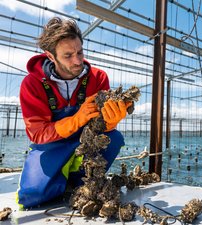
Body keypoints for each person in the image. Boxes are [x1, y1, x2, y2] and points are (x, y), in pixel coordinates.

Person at [17, 17, 130, 209]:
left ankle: (80, 181)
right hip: (51, 144)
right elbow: (37, 132)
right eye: (68, 55)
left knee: (115, 137)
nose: (78, 60)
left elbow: (102, 127)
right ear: (50, 56)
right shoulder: (32, 84)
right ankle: (56, 177)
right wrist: (77, 118)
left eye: (80, 52)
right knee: (33, 196)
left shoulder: (99, 77)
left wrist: (111, 121)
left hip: (86, 141)